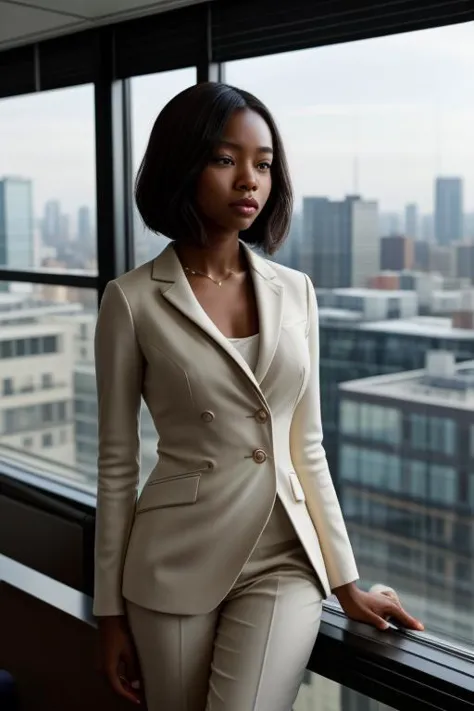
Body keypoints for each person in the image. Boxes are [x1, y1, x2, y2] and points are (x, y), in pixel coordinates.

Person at [94, 82, 424, 711]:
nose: (250, 180)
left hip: (284, 557)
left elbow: (308, 445)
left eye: (264, 163)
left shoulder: (297, 290)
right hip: (173, 560)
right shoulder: (132, 300)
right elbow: (116, 467)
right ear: (181, 166)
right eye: (225, 160)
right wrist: (110, 615)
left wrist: (345, 580)